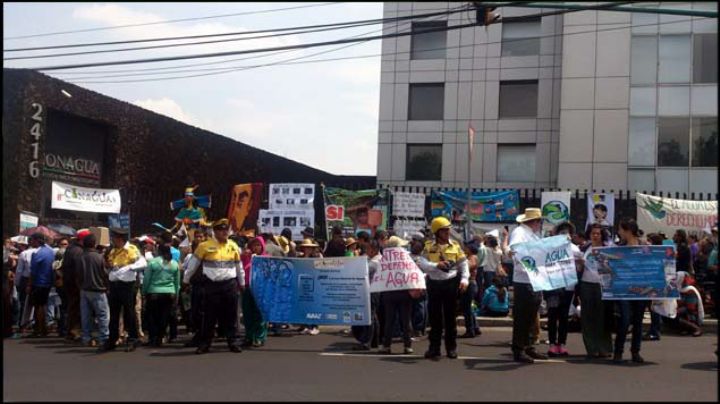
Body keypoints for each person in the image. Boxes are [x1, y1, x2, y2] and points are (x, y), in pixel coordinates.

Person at [183, 219, 244, 354]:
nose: (224, 232)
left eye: (226, 230)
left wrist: (242, 283)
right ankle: (205, 344)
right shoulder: (204, 246)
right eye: (221, 230)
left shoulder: (233, 246)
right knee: (209, 316)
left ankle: (233, 342)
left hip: (229, 284)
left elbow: (239, 267)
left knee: (231, 315)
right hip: (212, 285)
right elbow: (193, 265)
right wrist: (185, 280)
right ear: (215, 232)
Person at [417, 216, 469, 360]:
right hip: (434, 284)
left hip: (451, 284)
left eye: (448, 230)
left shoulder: (455, 246)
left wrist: (465, 279)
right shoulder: (428, 246)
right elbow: (421, 263)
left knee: (450, 318)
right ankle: (434, 348)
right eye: (444, 231)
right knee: (435, 319)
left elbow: (463, 264)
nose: (447, 233)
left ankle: (451, 348)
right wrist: (436, 266)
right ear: (436, 232)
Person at [503, 207, 548, 364]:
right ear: (535, 221)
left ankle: (528, 346)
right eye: (539, 221)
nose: (540, 224)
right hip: (524, 280)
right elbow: (515, 251)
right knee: (523, 317)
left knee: (531, 316)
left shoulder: (531, 234)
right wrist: (528, 267)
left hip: (534, 279)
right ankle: (519, 349)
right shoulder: (520, 232)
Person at [102, 228, 146, 352]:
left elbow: (143, 263)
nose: (112, 240)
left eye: (114, 238)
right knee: (114, 313)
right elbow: (109, 266)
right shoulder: (112, 250)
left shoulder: (131, 249)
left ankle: (133, 339)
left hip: (127, 286)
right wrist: (109, 267)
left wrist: (128, 268)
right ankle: (113, 339)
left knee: (129, 313)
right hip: (114, 285)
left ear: (120, 239)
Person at [545, 222, 583, 357]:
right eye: (561, 232)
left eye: (567, 233)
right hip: (553, 287)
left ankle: (562, 344)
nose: (564, 235)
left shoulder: (575, 250)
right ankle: (551, 344)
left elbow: (579, 268)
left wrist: (579, 264)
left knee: (563, 316)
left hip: (568, 287)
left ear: (571, 235)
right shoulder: (550, 248)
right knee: (552, 315)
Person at [613, 218, 648, 364]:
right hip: (624, 290)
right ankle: (618, 351)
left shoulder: (645, 246)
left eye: (621, 229)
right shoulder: (618, 248)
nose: (619, 232)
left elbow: (652, 263)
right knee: (625, 320)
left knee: (638, 321)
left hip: (641, 289)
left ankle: (635, 351)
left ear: (627, 231)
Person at [579, 223, 614, 359]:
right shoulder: (584, 248)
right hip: (586, 285)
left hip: (602, 286)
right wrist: (579, 265)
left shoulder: (608, 249)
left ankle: (604, 347)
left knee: (603, 317)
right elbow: (578, 269)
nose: (595, 236)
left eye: (598, 233)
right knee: (588, 317)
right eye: (593, 233)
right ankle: (591, 348)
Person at [378, 236, 415, 355]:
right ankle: (407, 346)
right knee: (405, 320)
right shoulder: (406, 258)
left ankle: (386, 346)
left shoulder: (384, 259)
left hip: (389, 293)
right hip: (404, 292)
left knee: (390, 320)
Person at [142, 242, 180, 347]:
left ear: (159, 251)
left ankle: (153, 338)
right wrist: (176, 293)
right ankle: (160, 337)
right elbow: (177, 282)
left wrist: (144, 291)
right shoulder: (174, 264)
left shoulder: (153, 263)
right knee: (164, 316)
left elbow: (146, 279)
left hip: (154, 292)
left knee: (152, 317)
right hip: (169, 293)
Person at [79, 234, 110, 349]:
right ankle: (104, 338)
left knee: (86, 316)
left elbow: (78, 274)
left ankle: (86, 338)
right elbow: (105, 274)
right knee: (102, 315)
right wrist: (107, 287)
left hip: (84, 289)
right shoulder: (99, 257)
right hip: (98, 290)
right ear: (94, 244)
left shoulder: (80, 257)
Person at [352, 239, 382, 350]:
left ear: (374, 250)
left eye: (368, 248)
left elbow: (362, 270)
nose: (366, 250)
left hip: (372, 291)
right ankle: (374, 341)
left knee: (370, 316)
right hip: (373, 290)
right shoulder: (373, 259)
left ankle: (367, 341)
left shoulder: (375, 262)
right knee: (373, 316)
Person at [60, 230, 88, 343]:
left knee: (72, 308)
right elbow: (78, 270)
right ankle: (73, 332)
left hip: (69, 283)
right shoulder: (78, 251)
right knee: (75, 309)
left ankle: (71, 331)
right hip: (74, 285)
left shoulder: (71, 249)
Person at [240, 236, 268, 348]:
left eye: (258, 245)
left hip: (261, 290)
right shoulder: (246, 257)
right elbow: (241, 270)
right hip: (247, 288)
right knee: (248, 314)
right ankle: (249, 336)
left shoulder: (266, 258)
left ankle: (259, 337)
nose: (256, 247)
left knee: (259, 314)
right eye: (254, 245)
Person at [27, 233, 55, 338]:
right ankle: (42, 329)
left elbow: (32, 272)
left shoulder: (37, 253)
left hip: (39, 282)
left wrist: (29, 285)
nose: (31, 242)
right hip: (47, 282)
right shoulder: (50, 251)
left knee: (38, 306)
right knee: (43, 305)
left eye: (32, 240)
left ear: (37, 240)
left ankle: (39, 329)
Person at [15, 238, 37, 334]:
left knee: (24, 303)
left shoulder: (24, 253)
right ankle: (33, 324)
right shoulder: (44, 252)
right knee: (37, 303)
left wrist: (17, 283)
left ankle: (22, 324)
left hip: (25, 279)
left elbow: (19, 270)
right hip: (38, 279)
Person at [459, 240, 480, 338]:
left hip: (470, 284)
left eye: (466, 248)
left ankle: (470, 329)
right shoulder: (470, 257)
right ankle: (475, 327)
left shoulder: (472, 258)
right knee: (469, 308)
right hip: (470, 284)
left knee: (467, 308)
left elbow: (468, 267)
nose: (465, 249)